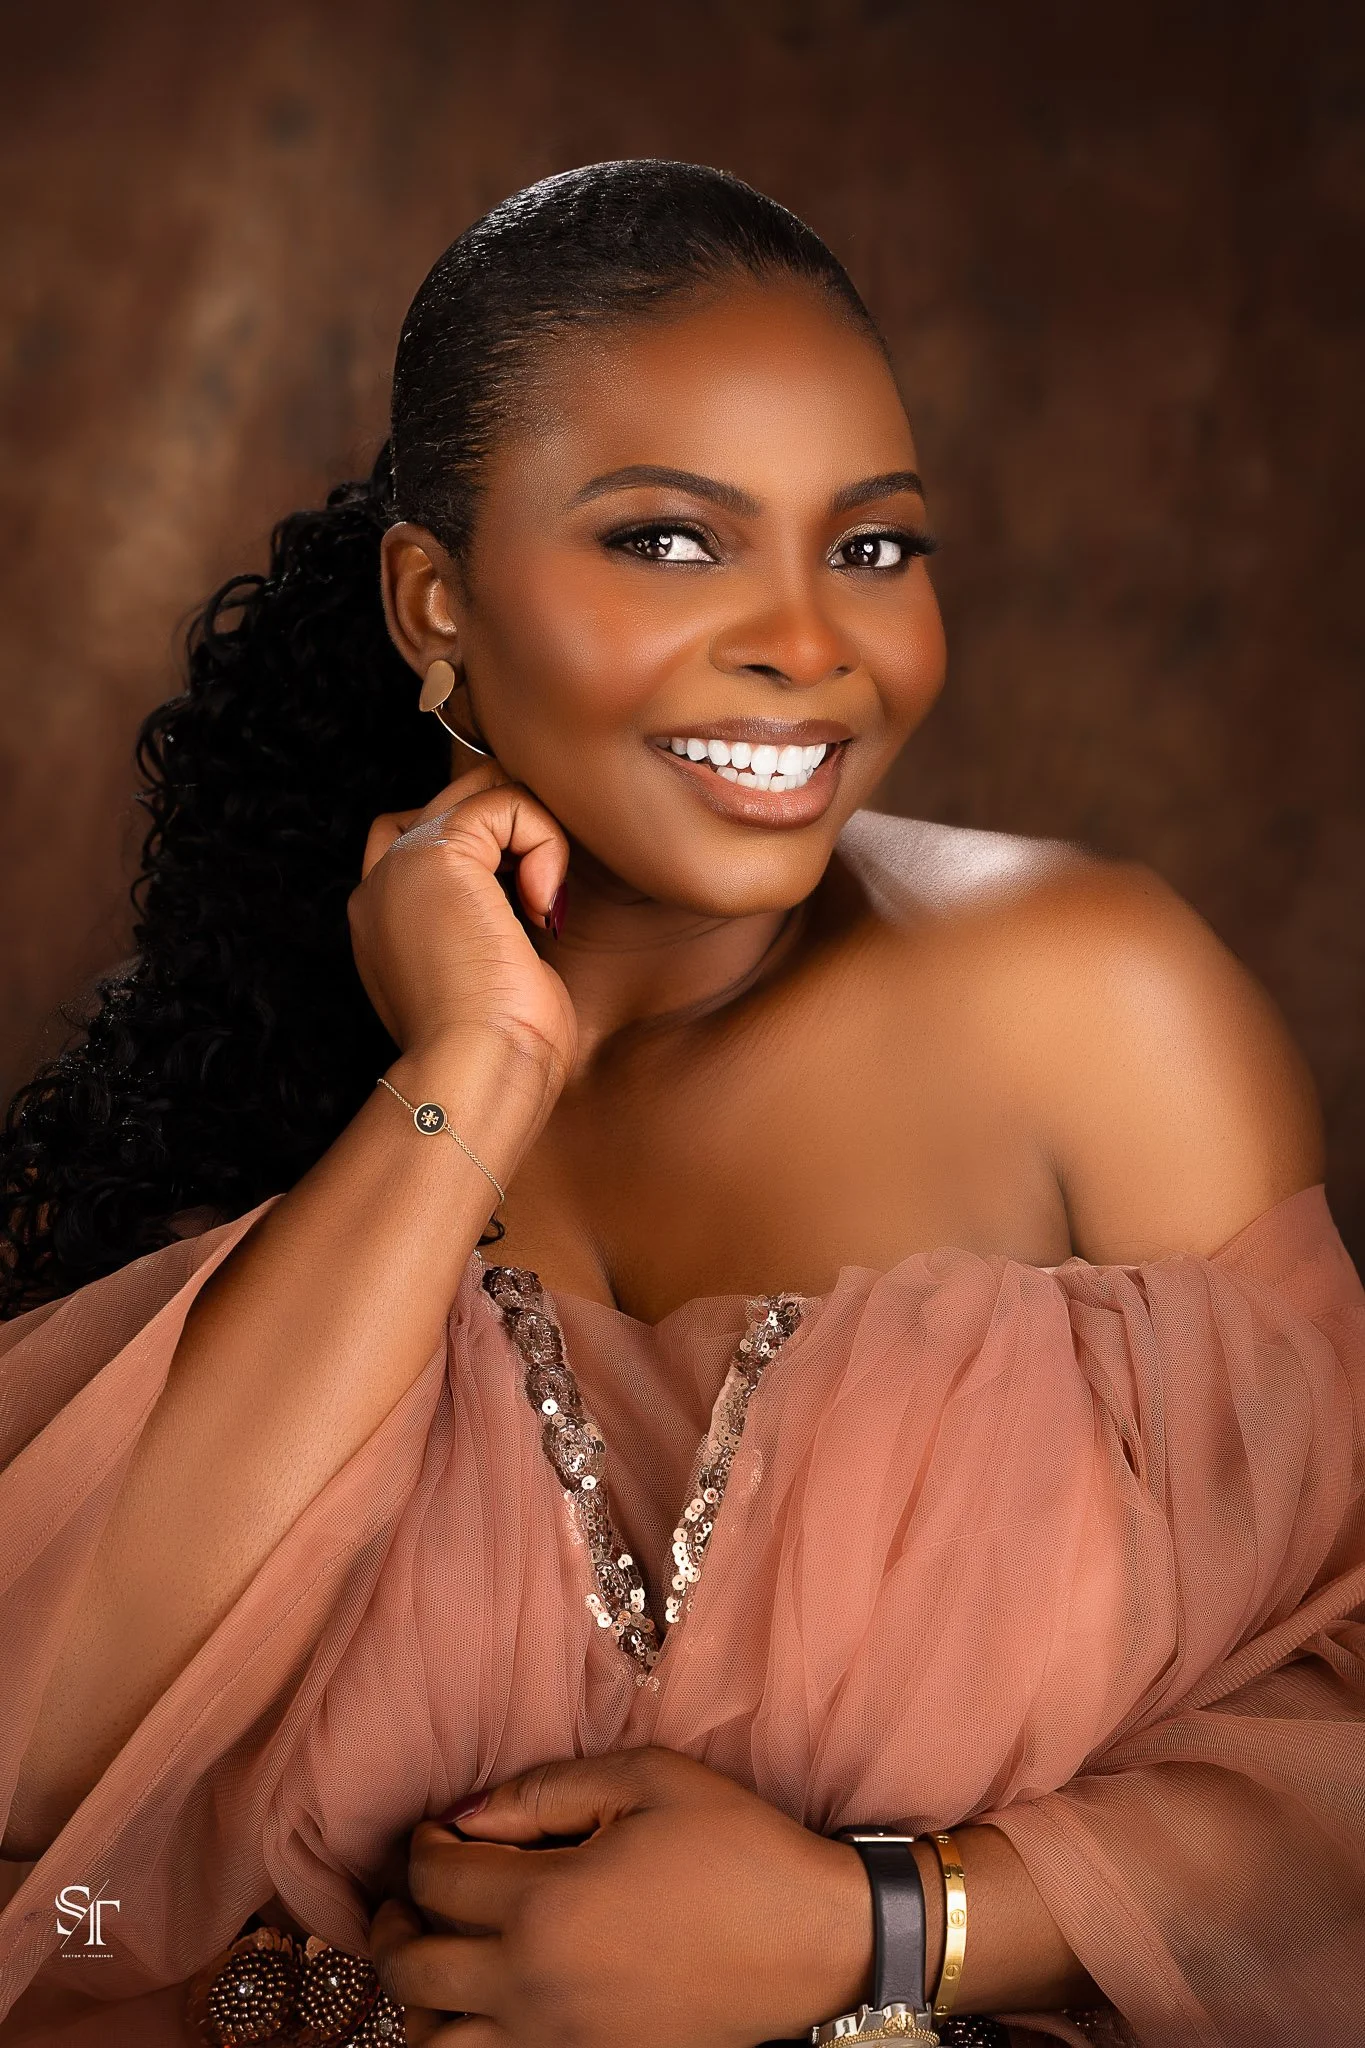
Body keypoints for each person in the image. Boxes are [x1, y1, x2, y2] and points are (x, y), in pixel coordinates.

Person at [0, 160, 1361, 2048]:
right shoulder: (288, 1073)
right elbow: (40, 1758)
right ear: (435, 605)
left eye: (874, 547)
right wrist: (470, 1073)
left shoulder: (1096, 1004)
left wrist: (878, 1926)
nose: (809, 643)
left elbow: (1345, 1719)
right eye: (670, 541)